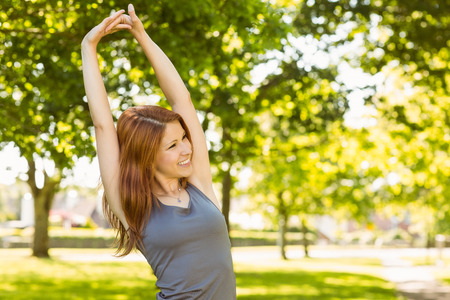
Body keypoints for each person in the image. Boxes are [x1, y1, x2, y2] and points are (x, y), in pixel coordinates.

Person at [81, 4, 236, 299]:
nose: (187, 149)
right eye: (173, 145)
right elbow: (103, 125)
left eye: (185, 138)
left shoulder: (198, 184)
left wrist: (141, 34)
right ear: (146, 156)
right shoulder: (133, 206)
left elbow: (182, 99)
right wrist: (89, 46)